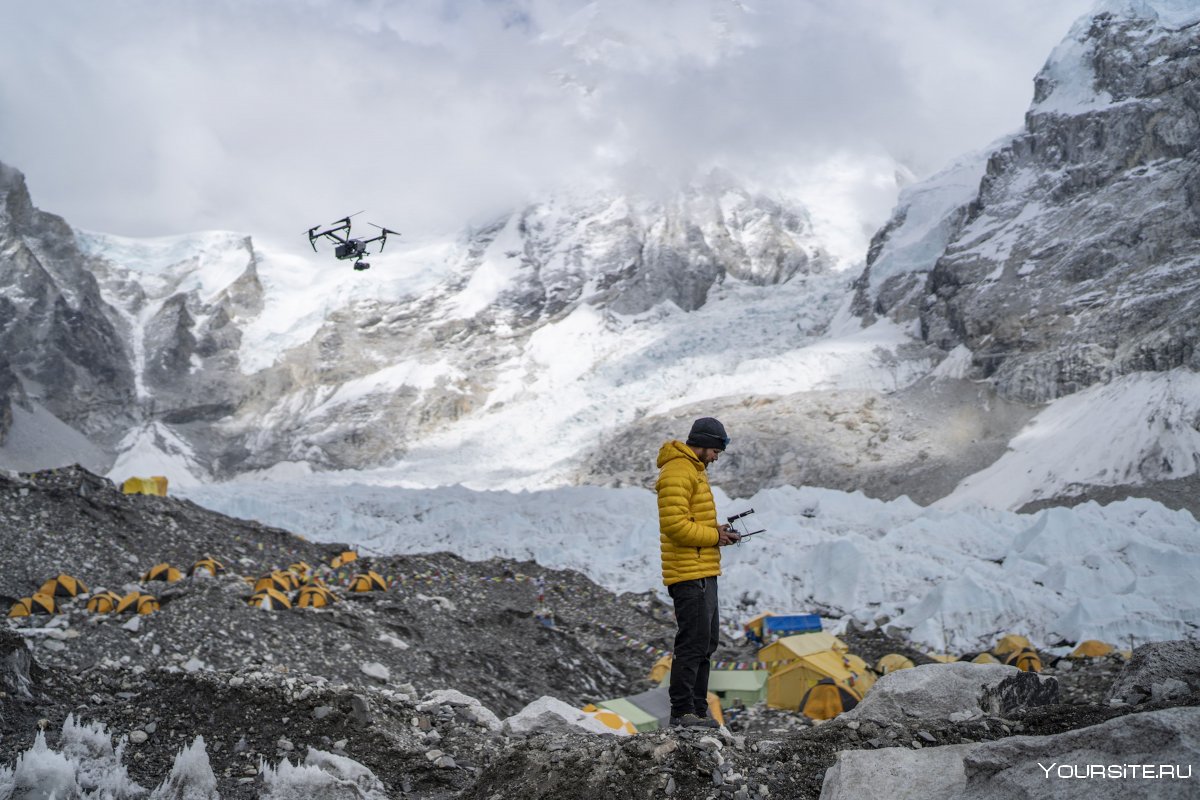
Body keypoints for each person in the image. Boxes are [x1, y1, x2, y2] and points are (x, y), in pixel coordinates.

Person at [656, 416, 739, 729]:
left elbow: (689, 520)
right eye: (716, 450)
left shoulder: (693, 470)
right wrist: (715, 537)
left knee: (706, 642)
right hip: (688, 574)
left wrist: (717, 532)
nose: (717, 457)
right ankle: (682, 713)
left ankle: (698, 711)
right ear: (703, 444)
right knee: (692, 643)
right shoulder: (677, 470)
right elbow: (675, 527)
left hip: (703, 569)